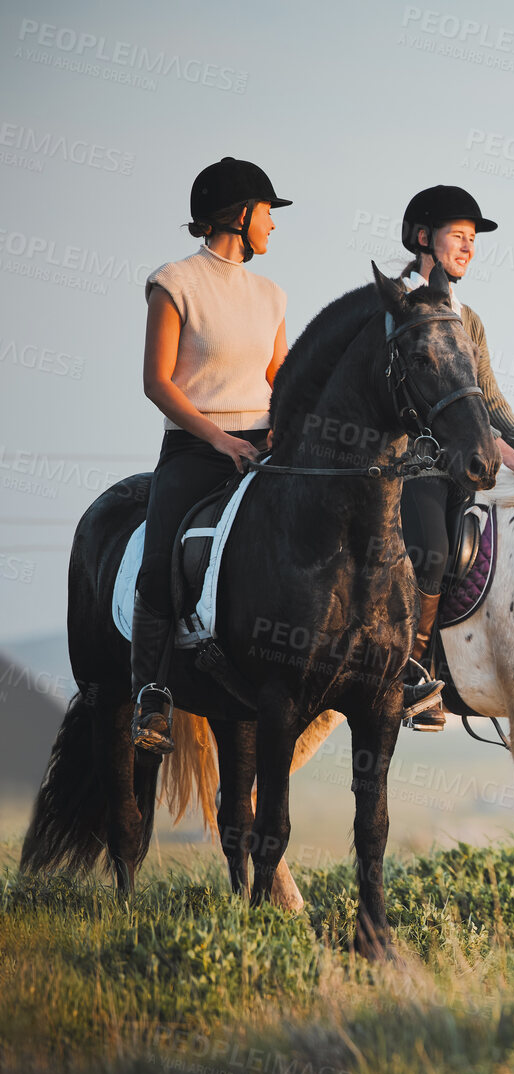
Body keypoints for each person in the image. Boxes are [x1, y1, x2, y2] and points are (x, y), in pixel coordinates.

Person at [130, 158, 291, 753]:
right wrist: (220, 440)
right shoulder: (175, 282)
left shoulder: (271, 294)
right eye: (269, 213)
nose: (273, 225)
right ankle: (151, 694)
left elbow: (278, 375)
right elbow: (158, 381)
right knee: (160, 556)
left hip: (265, 448)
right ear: (242, 214)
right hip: (197, 449)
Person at [395, 185, 514, 729]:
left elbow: (487, 398)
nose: (469, 248)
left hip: (462, 463)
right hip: (409, 462)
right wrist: (497, 447)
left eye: (473, 240)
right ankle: (415, 669)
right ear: (424, 238)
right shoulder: (399, 304)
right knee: (432, 549)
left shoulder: (466, 316)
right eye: (460, 236)